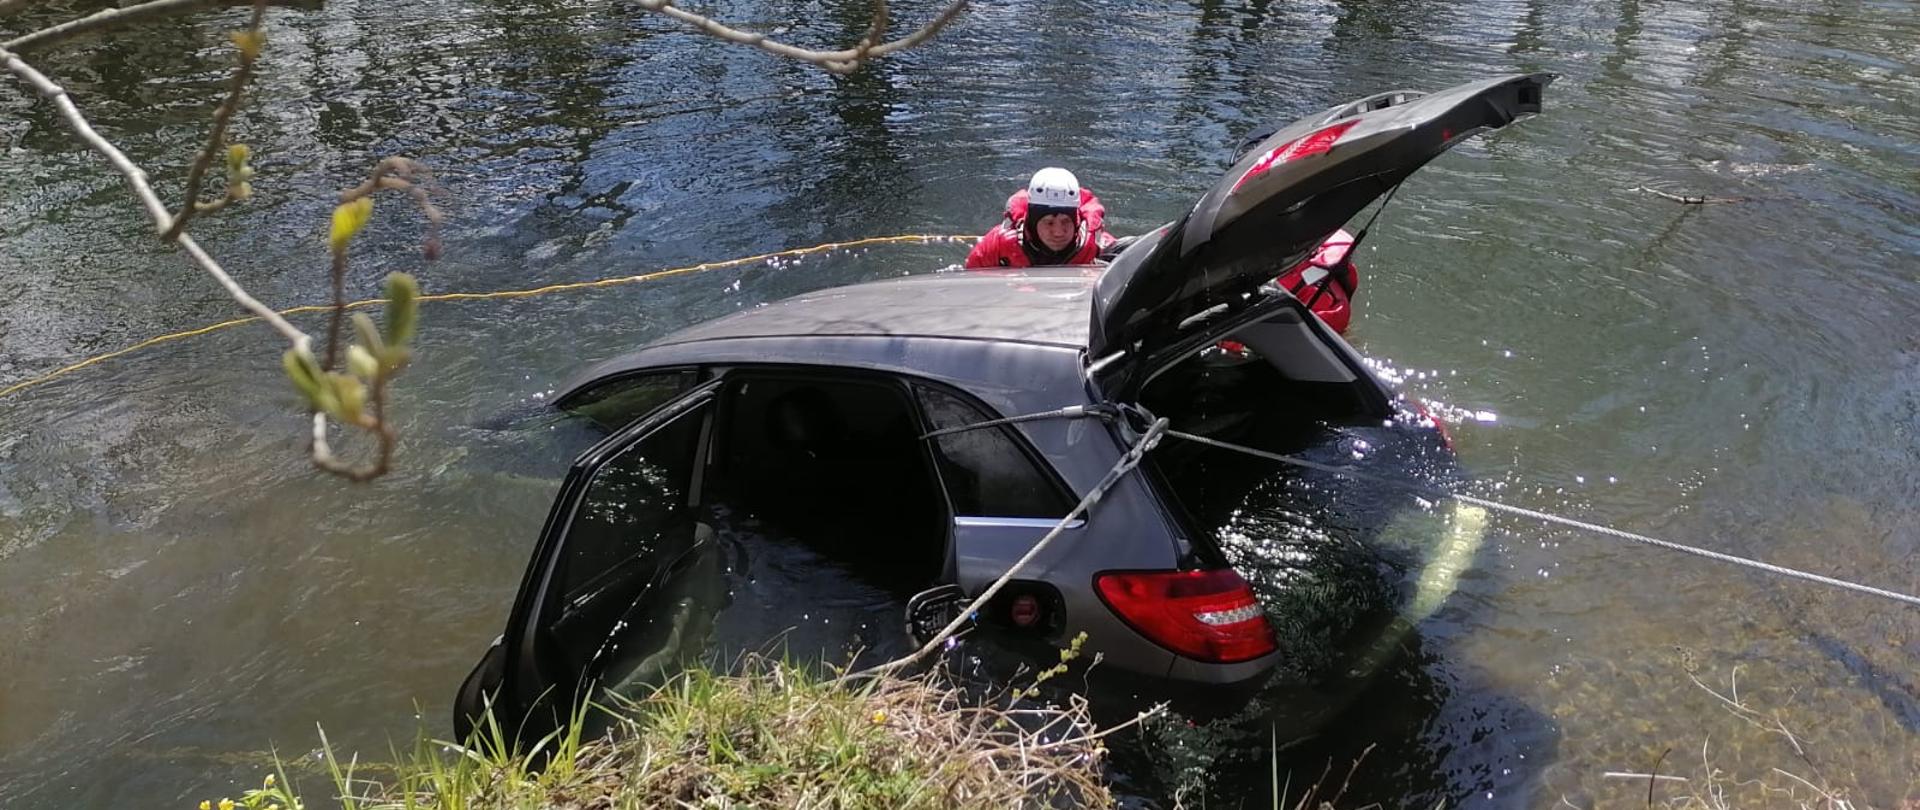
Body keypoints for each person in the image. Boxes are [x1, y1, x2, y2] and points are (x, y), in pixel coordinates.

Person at [964, 167, 1117, 268]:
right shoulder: (997, 247)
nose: (1058, 232)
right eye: (1049, 222)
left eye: (1066, 221)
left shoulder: (1101, 248)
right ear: (1032, 221)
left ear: (1076, 222)